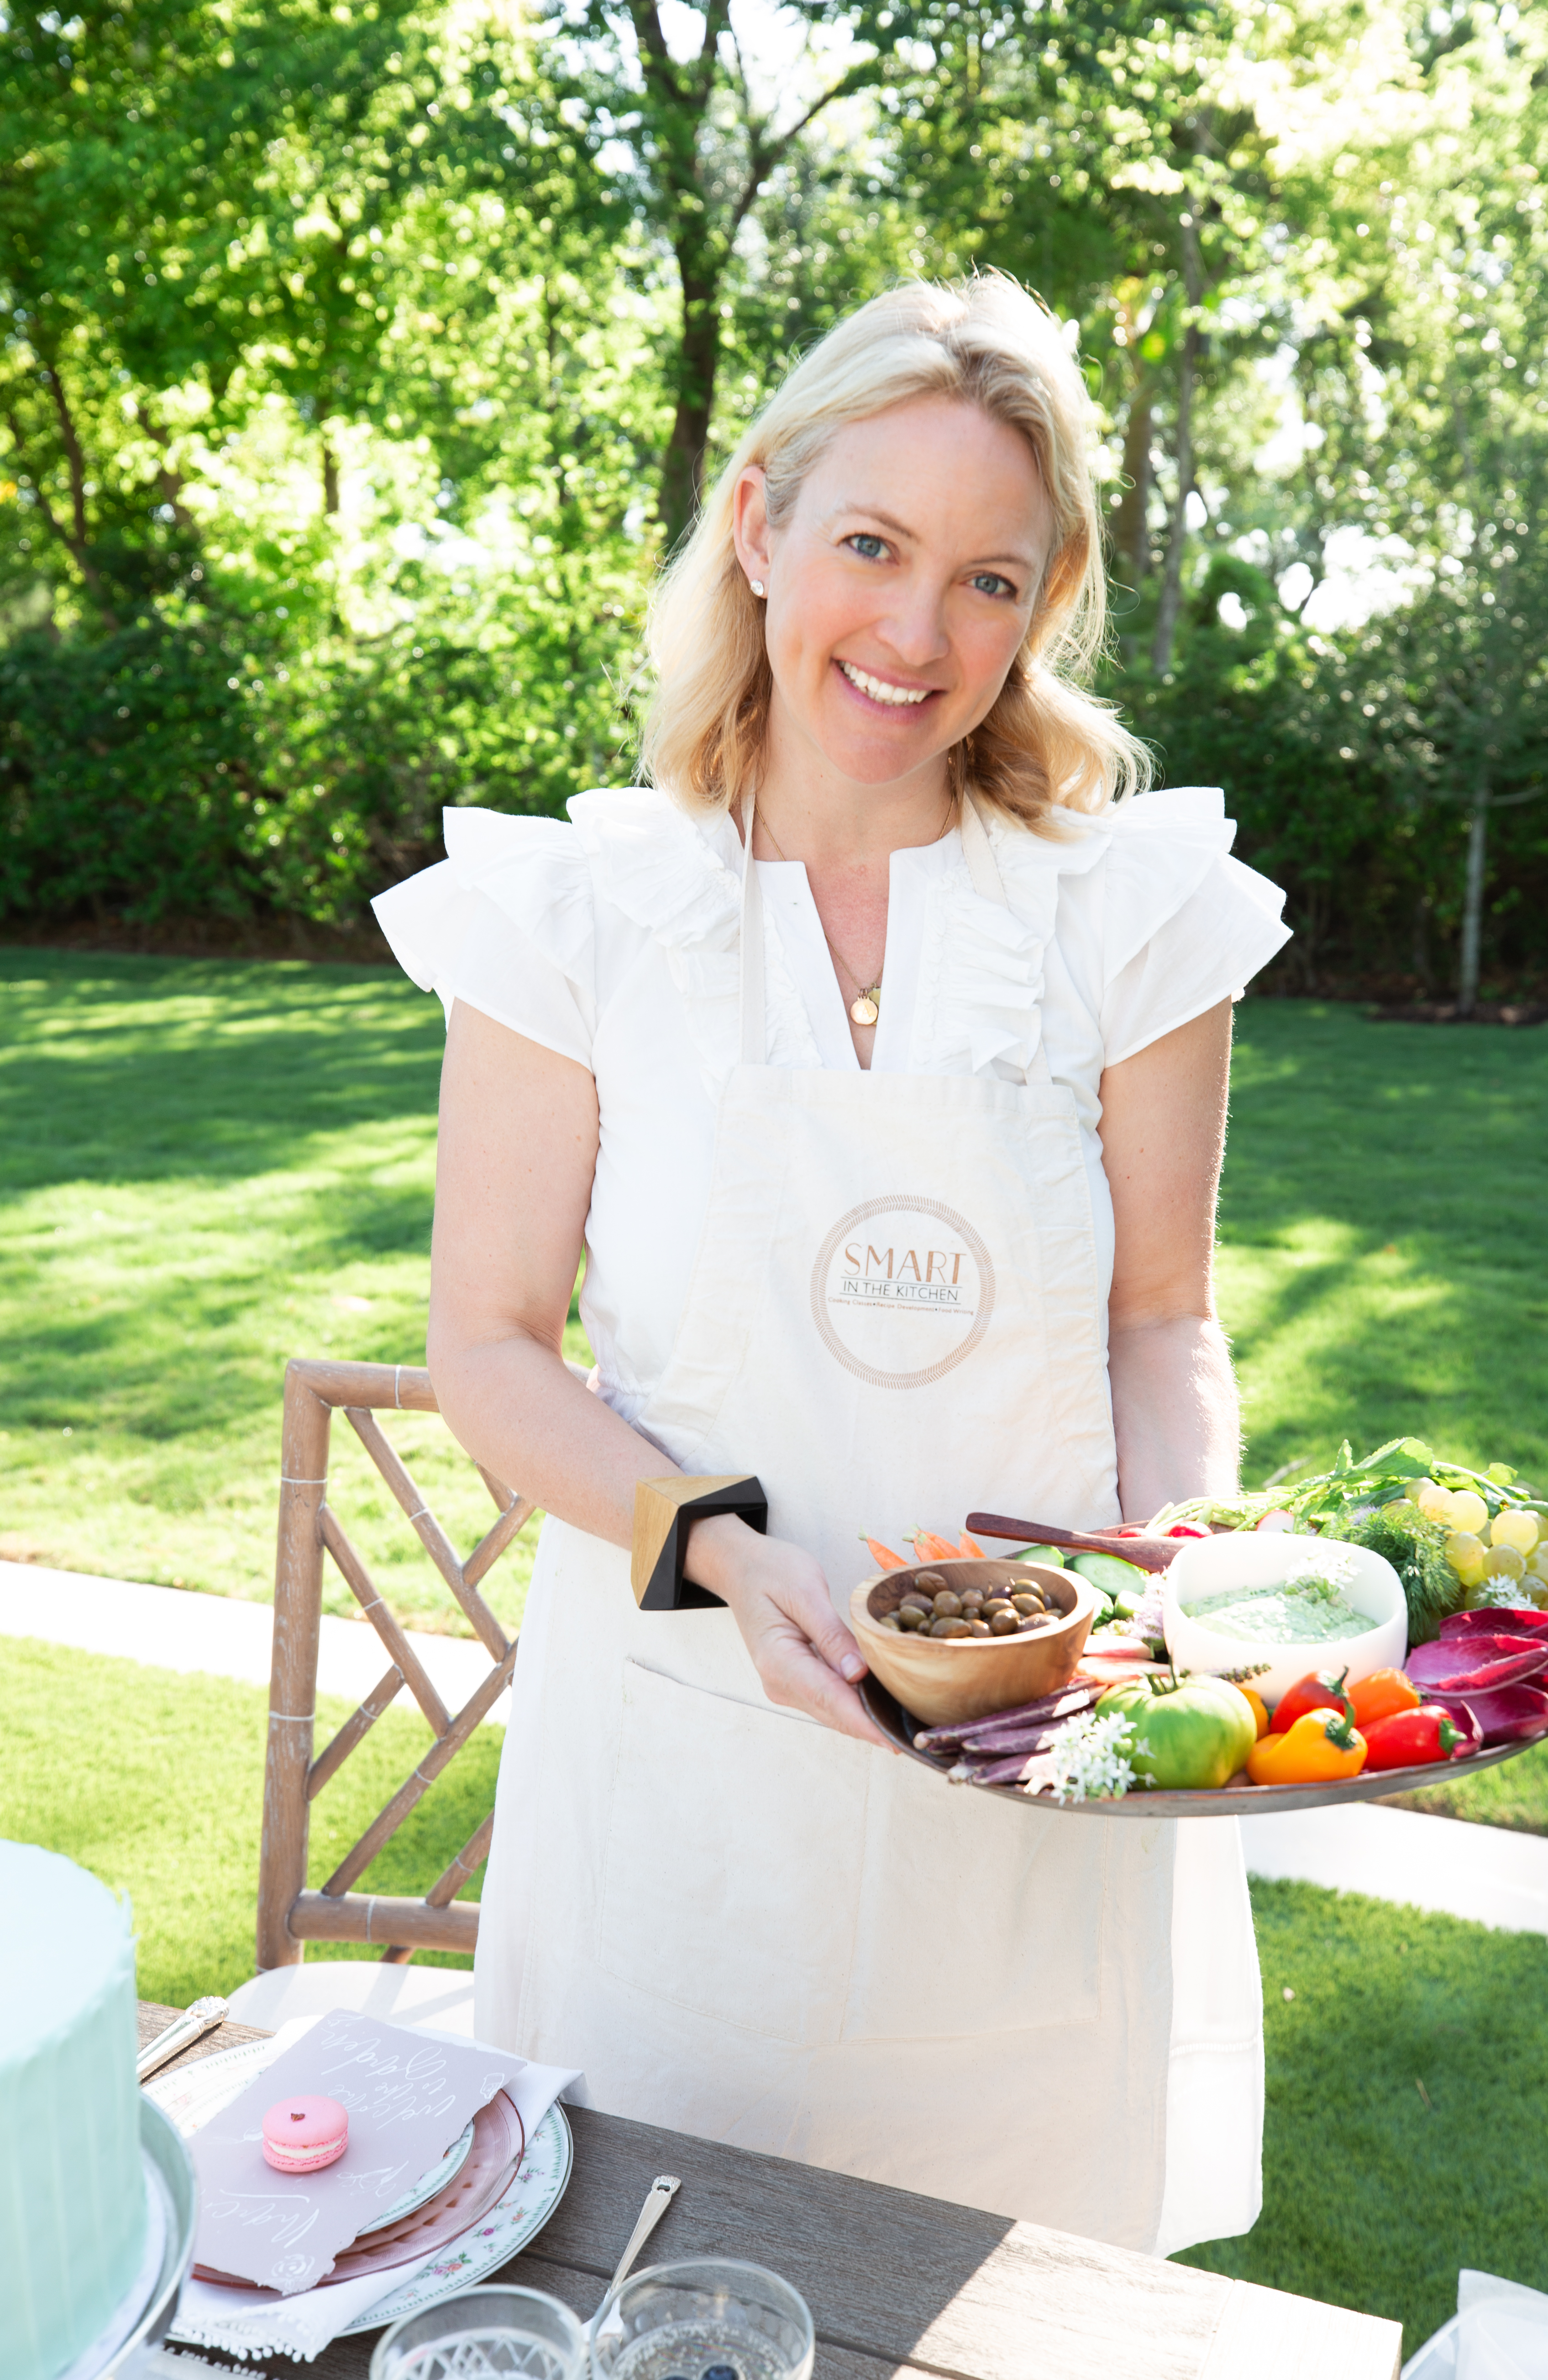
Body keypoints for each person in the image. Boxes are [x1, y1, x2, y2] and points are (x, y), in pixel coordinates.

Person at [373, 272, 1290, 2257]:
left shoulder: (1124, 911)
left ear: (1042, 609)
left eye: (988, 578)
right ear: (758, 525)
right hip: (683, 1778)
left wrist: (1172, 1562)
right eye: (869, 544)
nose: (914, 629)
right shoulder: (577, 914)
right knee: (657, 2283)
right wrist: (718, 1547)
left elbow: (1159, 1314)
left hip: (1038, 1776)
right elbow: (487, 1344)